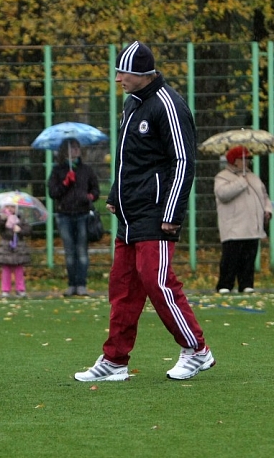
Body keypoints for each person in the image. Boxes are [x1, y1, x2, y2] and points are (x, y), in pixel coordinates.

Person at [74, 40, 215, 382]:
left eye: (123, 72)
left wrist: (172, 211)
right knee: (122, 288)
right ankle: (115, 361)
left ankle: (197, 350)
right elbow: (128, 160)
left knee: (157, 281)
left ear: (141, 74)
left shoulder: (168, 104)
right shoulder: (132, 105)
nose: (118, 78)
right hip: (129, 213)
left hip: (155, 213)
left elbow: (183, 161)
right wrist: (114, 195)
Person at [213, 145, 272, 294]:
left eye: (249, 159)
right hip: (233, 227)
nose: (248, 162)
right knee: (230, 258)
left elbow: (264, 196)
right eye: (244, 159)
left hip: (252, 226)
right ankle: (225, 285)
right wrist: (241, 182)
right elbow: (223, 194)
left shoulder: (253, 176)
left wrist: (267, 210)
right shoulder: (222, 177)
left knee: (249, 257)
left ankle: (246, 284)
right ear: (234, 160)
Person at [48, 138, 100, 296]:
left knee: (82, 251)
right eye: (71, 148)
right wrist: (65, 183)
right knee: (70, 252)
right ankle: (72, 284)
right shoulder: (57, 171)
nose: (75, 150)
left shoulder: (86, 170)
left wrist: (90, 196)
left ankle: (81, 284)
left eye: (77, 147)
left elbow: (95, 190)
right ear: (65, 151)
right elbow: (53, 193)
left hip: (83, 215)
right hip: (65, 215)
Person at [0, 204, 32, 298]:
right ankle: (5, 290)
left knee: (19, 268)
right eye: (8, 206)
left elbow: (28, 230)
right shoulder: (2, 217)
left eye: (12, 207)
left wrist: (20, 230)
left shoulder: (21, 218)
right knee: (6, 269)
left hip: (19, 246)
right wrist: (4, 219)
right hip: (6, 245)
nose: (10, 209)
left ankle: (20, 289)